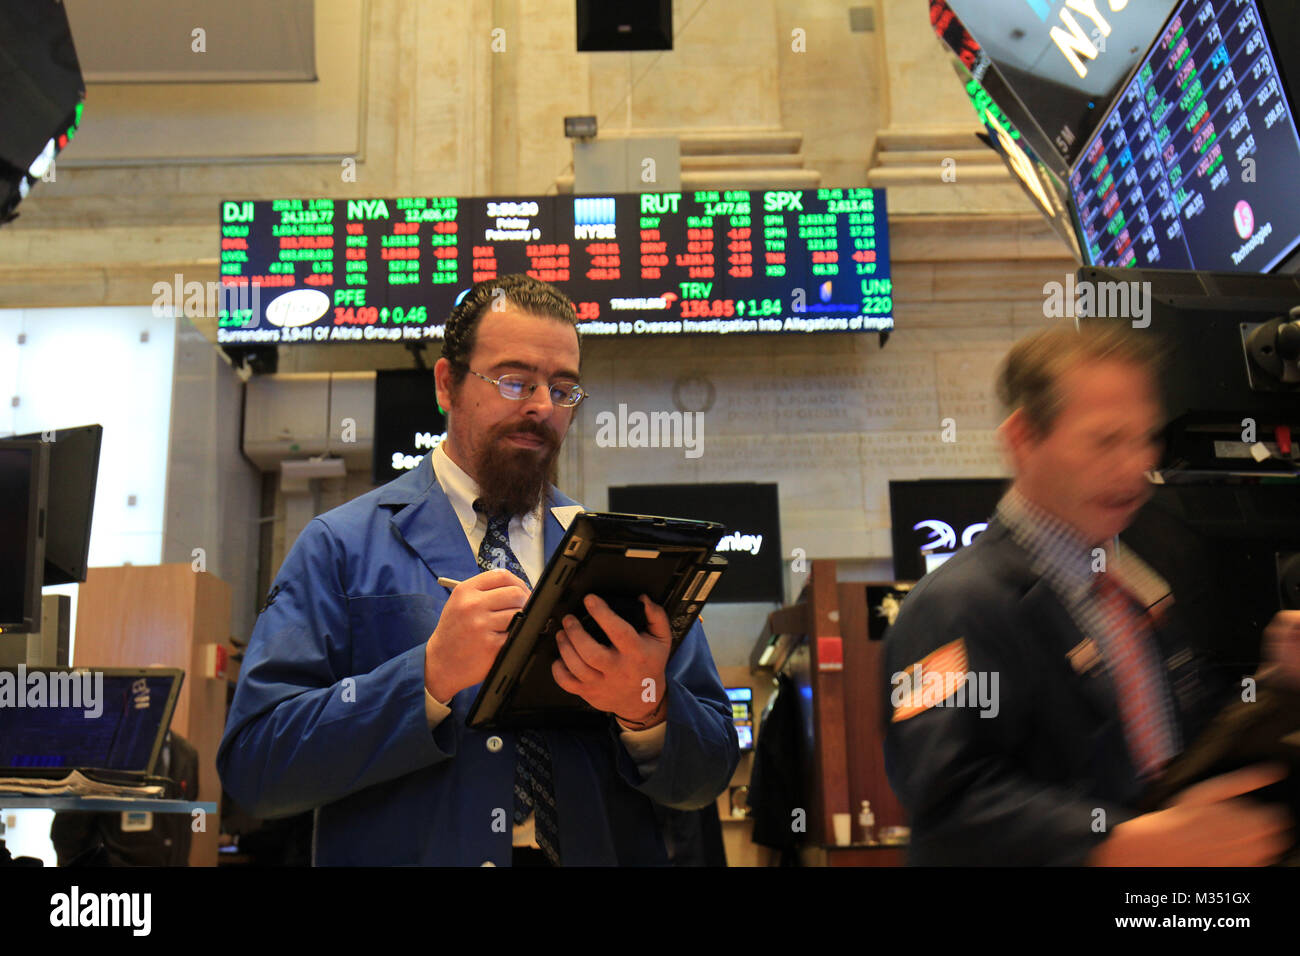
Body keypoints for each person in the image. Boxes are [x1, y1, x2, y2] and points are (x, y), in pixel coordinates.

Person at [218, 274, 738, 866]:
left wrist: (647, 707)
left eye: (563, 389)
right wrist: (428, 678)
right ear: (447, 384)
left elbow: (708, 772)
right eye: (514, 381)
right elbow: (255, 766)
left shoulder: (618, 561)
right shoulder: (340, 547)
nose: (542, 405)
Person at [882, 320, 1300, 865]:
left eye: (1146, 437)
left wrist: (1275, 688)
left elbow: (1181, 751)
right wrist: (1120, 844)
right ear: (1022, 439)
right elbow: (948, 807)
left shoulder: (1140, 580)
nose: (1137, 467)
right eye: (1106, 440)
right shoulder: (948, 606)